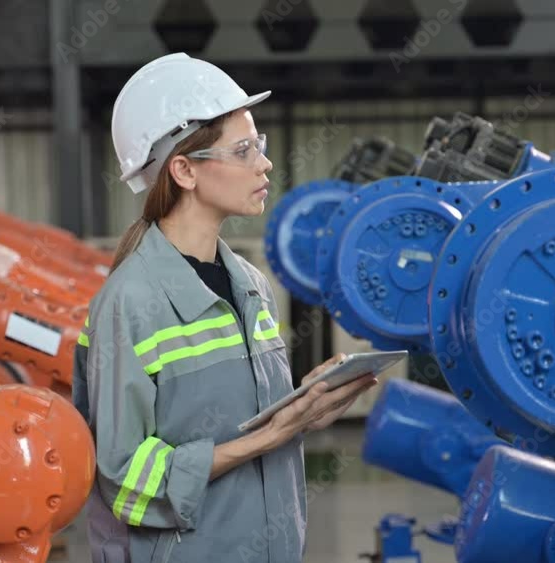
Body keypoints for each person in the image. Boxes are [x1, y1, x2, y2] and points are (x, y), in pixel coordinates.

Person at [72, 53, 379, 563]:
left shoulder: (251, 285)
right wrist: (266, 438)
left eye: (257, 145)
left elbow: (246, 421)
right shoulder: (130, 302)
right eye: (244, 150)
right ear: (185, 170)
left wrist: (302, 407)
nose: (265, 162)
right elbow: (125, 479)